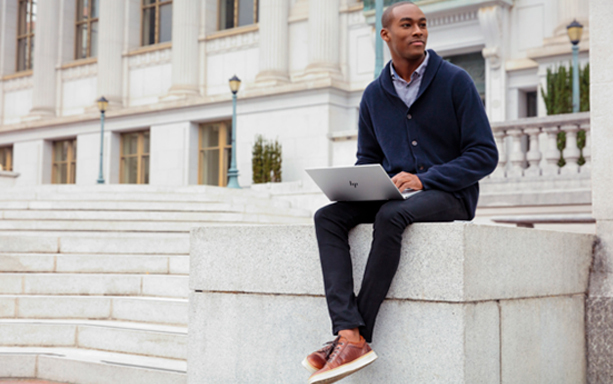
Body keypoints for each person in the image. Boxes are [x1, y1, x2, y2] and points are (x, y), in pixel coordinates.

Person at [303, 2, 499, 383]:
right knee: (327, 217)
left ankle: (357, 337)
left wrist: (427, 179)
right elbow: (368, 158)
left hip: (449, 194)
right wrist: (357, 184)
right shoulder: (373, 96)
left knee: (391, 216)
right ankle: (347, 332)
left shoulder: (455, 81)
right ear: (386, 35)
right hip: (397, 193)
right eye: (407, 25)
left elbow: (484, 154)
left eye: (423, 25)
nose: (418, 32)